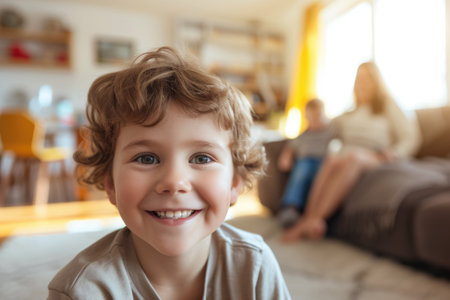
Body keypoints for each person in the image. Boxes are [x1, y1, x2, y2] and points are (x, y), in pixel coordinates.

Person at [48, 47, 291, 299]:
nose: (174, 182)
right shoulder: (81, 292)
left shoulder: (255, 267)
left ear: (234, 183)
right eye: (146, 158)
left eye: (201, 158)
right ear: (110, 183)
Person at [282, 61, 420, 242]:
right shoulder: (350, 112)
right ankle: (309, 218)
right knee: (332, 160)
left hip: (377, 156)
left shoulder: (388, 106)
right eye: (358, 78)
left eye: (366, 78)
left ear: (376, 82)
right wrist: (292, 146)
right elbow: (322, 127)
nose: (361, 83)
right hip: (347, 155)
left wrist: (395, 152)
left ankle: (315, 220)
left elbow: (411, 136)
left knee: (353, 157)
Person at [277, 99, 335, 228]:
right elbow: (290, 147)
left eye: (318, 117)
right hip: (305, 163)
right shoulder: (304, 135)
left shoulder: (330, 131)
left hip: (323, 162)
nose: (315, 122)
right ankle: (291, 207)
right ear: (306, 117)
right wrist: (286, 156)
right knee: (301, 172)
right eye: (311, 118)